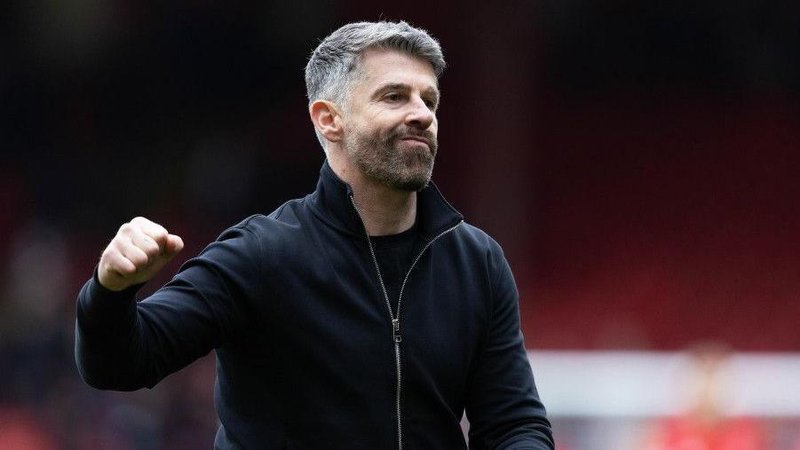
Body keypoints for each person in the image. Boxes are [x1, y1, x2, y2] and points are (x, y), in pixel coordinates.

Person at [75, 20, 554, 449]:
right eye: (394, 96)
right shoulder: (261, 254)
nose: (422, 114)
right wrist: (110, 290)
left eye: (429, 100)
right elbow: (121, 363)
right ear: (329, 119)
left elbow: (514, 425)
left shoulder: (476, 261)